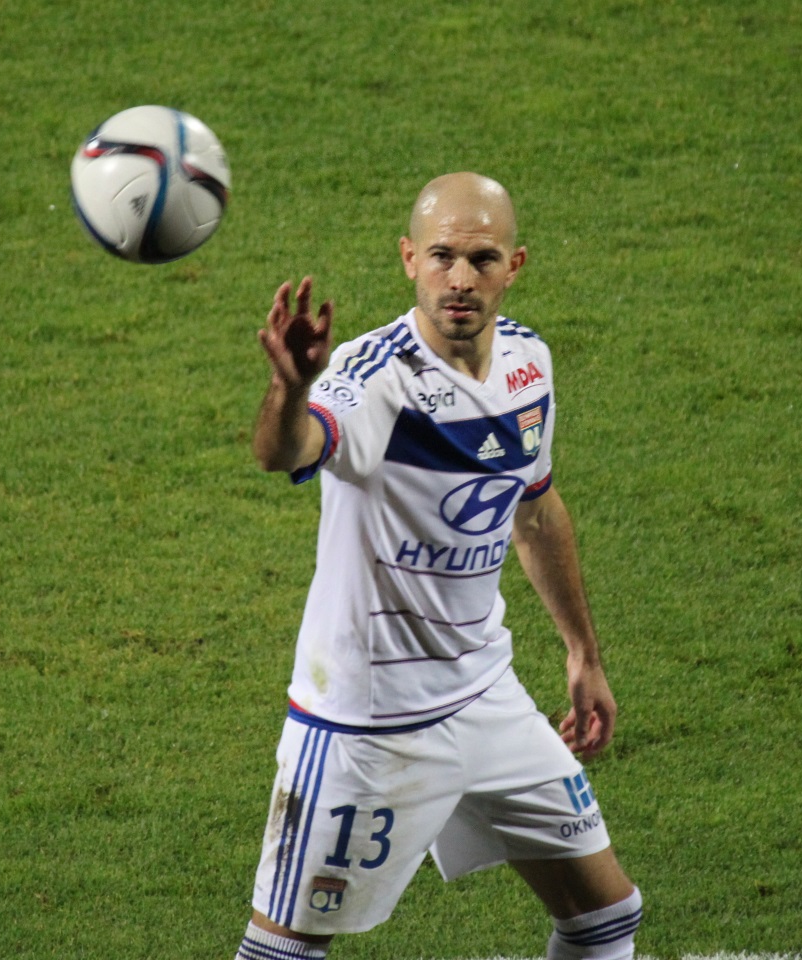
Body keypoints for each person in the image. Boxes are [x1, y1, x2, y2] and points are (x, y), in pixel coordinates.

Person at [236, 173, 641, 960]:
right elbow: (285, 451)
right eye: (442, 257)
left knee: (604, 921)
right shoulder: (372, 376)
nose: (461, 279)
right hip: (368, 722)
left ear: (515, 265)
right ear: (408, 259)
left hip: (485, 693)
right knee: (283, 952)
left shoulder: (528, 365)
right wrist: (290, 390)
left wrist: (583, 652)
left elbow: (535, 510)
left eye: (482, 259)